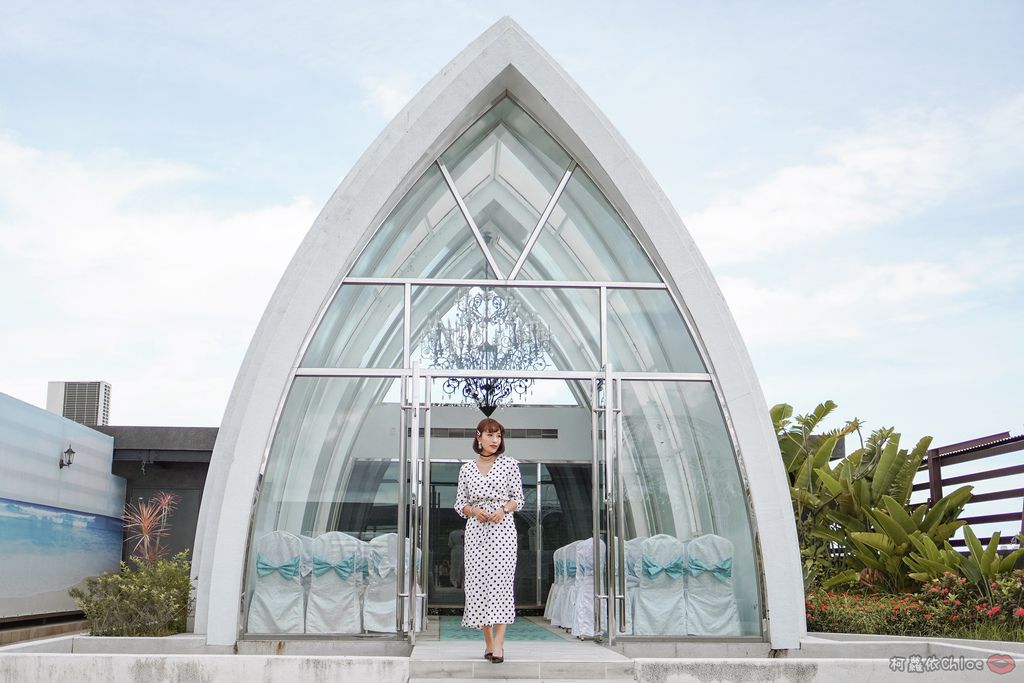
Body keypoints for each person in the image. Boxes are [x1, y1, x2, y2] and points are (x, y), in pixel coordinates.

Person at [454, 417, 525, 664]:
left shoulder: (510, 465)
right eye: (491, 435)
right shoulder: (466, 469)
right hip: (475, 531)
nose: (495, 440)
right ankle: (488, 642)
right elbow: (459, 504)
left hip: (502, 531)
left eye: (499, 436)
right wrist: (473, 511)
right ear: (479, 437)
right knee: (478, 585)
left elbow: (519, 499)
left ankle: (500, 644)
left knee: (501, 584)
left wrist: (503, 510)